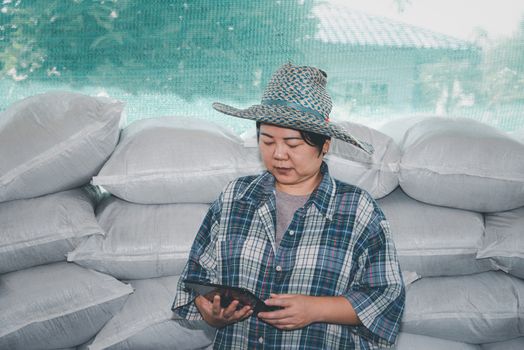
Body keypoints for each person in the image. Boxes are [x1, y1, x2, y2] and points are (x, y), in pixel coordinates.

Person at [172, 63, 405, 349]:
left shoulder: (357, 209)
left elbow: (386, 295)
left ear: (325, 144)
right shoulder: (235, 197)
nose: (278, 154)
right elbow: (197, 275)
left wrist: (316, 309)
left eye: (292, 144)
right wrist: (212, 313)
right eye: (267, 141)